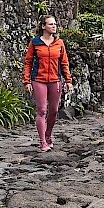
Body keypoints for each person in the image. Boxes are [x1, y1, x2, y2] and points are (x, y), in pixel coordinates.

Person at [23, 14, 73, 151]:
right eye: (51, 24)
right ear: (43, 26)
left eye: (55, 24)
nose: (54, 26)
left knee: (54, 110)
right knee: (42, 110)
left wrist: (68, 80)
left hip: (55, 80)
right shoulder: (35, 42)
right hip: (38, 80)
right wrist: (26, 81)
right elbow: (28, 62)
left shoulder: (59, 43)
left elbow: (64, 63)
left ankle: (48, 134)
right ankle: (42, 141)